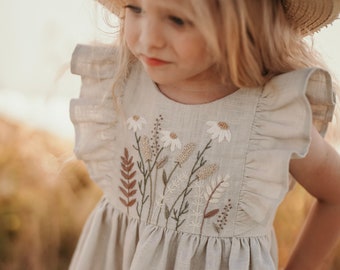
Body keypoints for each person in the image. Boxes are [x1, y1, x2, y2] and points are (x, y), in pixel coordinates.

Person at [69, 0, 340, 269]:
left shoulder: (270, 116)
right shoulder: (121, 81)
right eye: (135, 9)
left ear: (242, 22)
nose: (149, 39)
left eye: (178, 20)